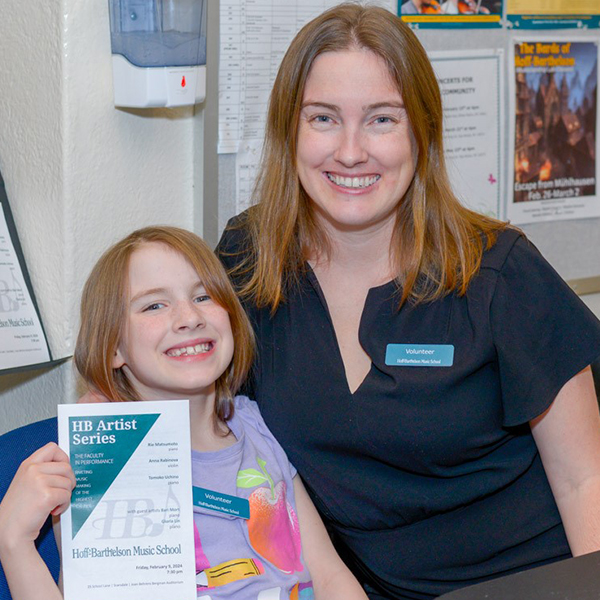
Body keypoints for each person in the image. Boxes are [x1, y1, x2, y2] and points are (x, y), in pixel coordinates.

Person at [216, 4, 600, 600]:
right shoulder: (248, 260)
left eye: (381, 120)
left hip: (533, 582)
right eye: (323, 118)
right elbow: (205, 406)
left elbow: (585, 480)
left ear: (421, 132)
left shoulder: (498, 273)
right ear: (288, 129)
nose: (349, 151)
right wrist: (121, 412)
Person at [0, 226, 368, 600]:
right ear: (113, 348)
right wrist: (14, 543)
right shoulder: (101, 462)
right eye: (154, 305)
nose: (189, 317)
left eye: (204, 296)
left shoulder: (257, 424)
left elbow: (330, 575)